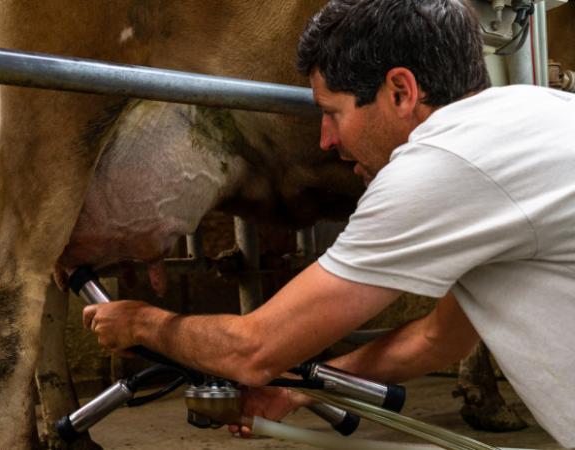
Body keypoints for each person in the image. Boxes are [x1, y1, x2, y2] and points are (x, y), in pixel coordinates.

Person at [81, 0, 575, 447]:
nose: (325, 141)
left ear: (400, 91)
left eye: (332, 113)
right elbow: (438, 339)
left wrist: (142, 323)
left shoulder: (439, 163)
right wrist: (297, 390)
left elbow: (253, 349)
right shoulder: (539, 113)